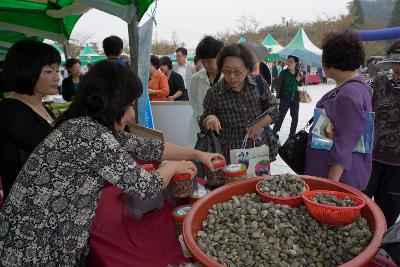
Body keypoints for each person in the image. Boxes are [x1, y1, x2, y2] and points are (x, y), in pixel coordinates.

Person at [0, 60, 223, 266]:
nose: (133, 115)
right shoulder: (90, 134)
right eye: (130, 105)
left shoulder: (85, 126)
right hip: (34, 250)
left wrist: (197, 154)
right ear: (113, 103)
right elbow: (145, 187)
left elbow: (150, 147)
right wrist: (172, 167)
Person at [304, 30, 372, 191]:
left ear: (331, 59)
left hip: (336, 178)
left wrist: (329, 186)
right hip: (343, 174)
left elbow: (344, 145)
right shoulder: (358, 86)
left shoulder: (348, 94)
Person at [199, 44, 279, 162]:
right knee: (236, 181)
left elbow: (275, 110)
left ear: (247, 68)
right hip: (230, 156)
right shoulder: (214, 93)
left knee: (260, 180)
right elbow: (203, 122)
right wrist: (209, 119)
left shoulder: (258, 84)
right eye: (227, 72)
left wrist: (259, 124)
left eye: (237, 72)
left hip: (259, 151)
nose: (232, 77)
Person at [0, 39, 59, 200]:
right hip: (26, 207)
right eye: (49, 71)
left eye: (58, 70)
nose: (57, 77)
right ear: (26, 71)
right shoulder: (10, 112)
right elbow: (53, 154)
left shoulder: (43, 107)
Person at [364, 39, 400, 228]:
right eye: (397, 62)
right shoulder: (377, 82)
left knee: (387, 215)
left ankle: (379, 253)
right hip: (372, 156)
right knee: (361, 206)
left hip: (397, 165)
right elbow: (358, 89)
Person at [187, 36, 224, 147]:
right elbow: (195, 106)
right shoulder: (195, 79)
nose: (206, 65)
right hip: (199, 130)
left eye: (209, 61)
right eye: (203, 61)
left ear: (219, 57)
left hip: (224, 131)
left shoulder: (229, 78)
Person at [273, 55, 303, 137]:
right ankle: (274, 132)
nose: (288, 63)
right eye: (288, 61)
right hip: (284, 97)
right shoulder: (283, 73)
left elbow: (300, 84)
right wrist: (278, 97)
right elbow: (278, 86)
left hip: (295, 97)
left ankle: (292, 135)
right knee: (280, 116)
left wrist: (299, 80)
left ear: (296, 63)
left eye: (291, 62)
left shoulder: (298, 72)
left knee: (295, 117)